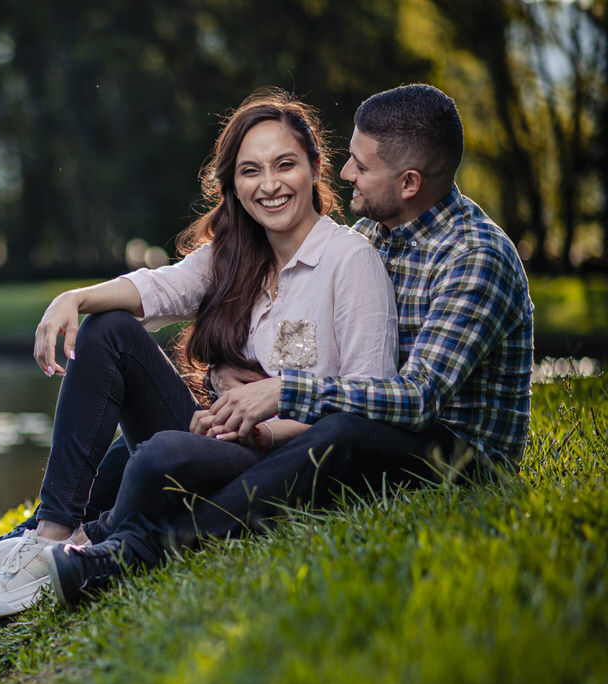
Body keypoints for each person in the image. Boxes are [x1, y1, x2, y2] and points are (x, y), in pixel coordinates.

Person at [35, 83, 534, 609]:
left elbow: (417, 397)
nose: (347, 175)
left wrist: (280, 396)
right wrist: (222, 382)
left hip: (455, 457)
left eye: (360, 166)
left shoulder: (474, 257)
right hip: (354, 428)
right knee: (141, 435)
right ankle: (41, 538)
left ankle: (146, 546)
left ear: (409, 183)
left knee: (340, 431)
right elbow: (190, 295)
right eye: (250, 170)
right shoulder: (379, 233)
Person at [0, 89, 400, 618]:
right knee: (108, 328)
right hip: (224, 436)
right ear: (233, 184)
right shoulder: (236, 254)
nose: (268, 185)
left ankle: (87, 544)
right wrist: (74, 298)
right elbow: (156, 289)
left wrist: (262, 424)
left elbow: (368, 406)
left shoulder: (349, 261)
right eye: (250, 171)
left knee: (156, 454)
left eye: (284, 165)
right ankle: (49, 536)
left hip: (285, 456)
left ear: (316, 167)